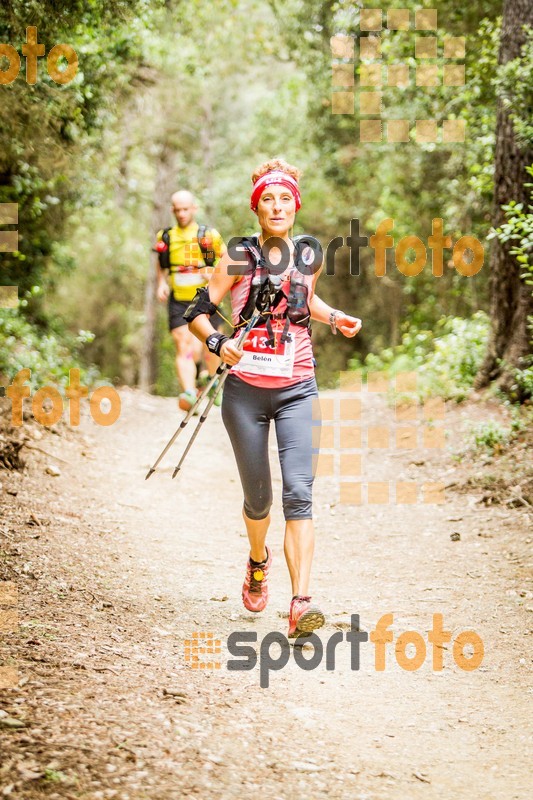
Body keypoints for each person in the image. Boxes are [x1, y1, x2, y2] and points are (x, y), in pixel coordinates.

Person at [186, 159, 362, 638]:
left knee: (300, 495)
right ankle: (257, 560)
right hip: (244, 394)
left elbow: (307, 298)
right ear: (257, 206)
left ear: (295, 206)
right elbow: (197, 311)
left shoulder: (310, 253)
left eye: (285, 199)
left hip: (297, 388)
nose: (278, 206)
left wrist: (335, 316)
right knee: (259, 499)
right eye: (269, 198)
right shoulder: (239, 254)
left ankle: (301, 602)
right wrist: (221, 344)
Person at [155, 190, 226, 411]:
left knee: (210, 345)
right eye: (178, 210)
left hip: (207, 298)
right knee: (183, 345)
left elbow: (227, 262)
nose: (182, 214)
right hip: (179, 299)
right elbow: (161, 262)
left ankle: (213, 382)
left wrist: (212, 273)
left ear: (194, 208)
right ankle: (188, 393)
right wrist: (161, 283)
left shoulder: (208, 235)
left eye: (186, 209)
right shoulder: (165, 236)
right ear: (172, 211)